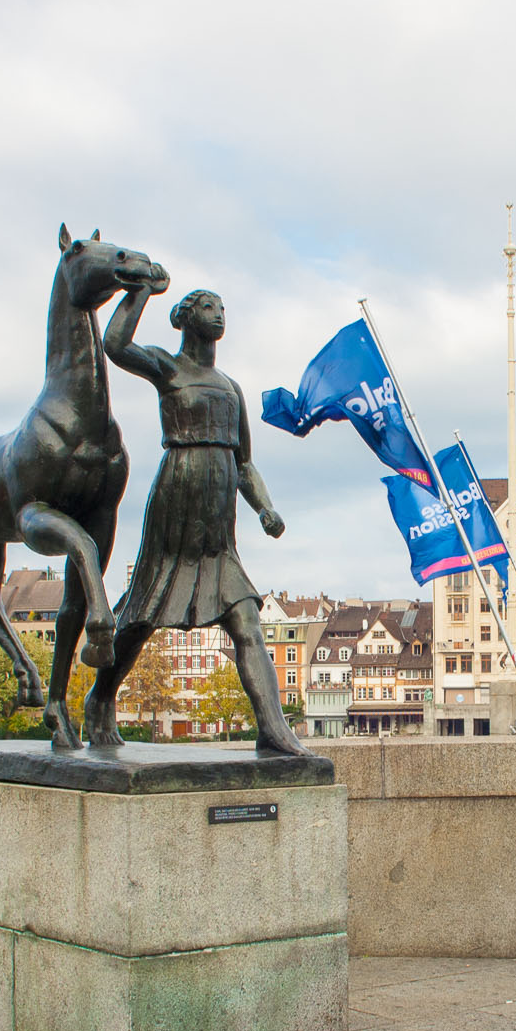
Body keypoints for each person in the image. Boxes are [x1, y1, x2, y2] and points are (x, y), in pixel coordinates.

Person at [85, 285, 308, 755]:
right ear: (186, 318)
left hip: (218, 529)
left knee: (246, 619)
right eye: (209, 307)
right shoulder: (168, 368)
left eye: (223, 307)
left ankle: (273, 727)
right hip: (176, 510)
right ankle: (100, 698)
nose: (220, 314)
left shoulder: (230, 388)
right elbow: (115, 345)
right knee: (143, 615)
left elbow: (244, 463)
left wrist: (264, 507)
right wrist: (141, 290)